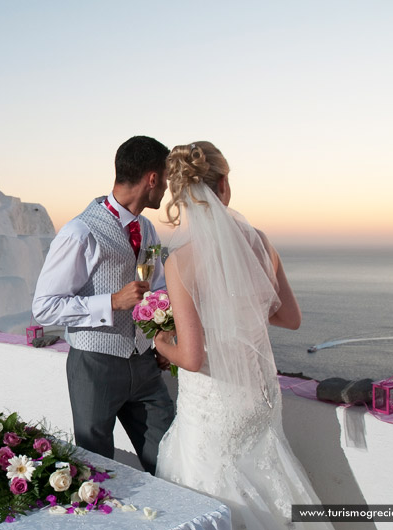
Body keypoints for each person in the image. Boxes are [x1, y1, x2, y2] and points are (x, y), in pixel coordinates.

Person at [153, 142, 333, 529]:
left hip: (215, 404)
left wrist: (159, 343)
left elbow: (192, 358)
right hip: (261, 395)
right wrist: (241, 310)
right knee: (269, 478)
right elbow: (290, 317)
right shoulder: (261, 242)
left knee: (213, 489)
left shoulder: (180, 259)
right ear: (224, 186)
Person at [32, 135, 174, 474]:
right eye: (166, 178)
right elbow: (44, 306)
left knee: (170, 455)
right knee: (95, 469)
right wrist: (111, 301)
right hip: (94, 366)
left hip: (145, 365)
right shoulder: (79, 232)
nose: (168, 187)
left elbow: (159, 288)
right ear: (151, 178)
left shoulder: (148, 229)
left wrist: (165, 339)